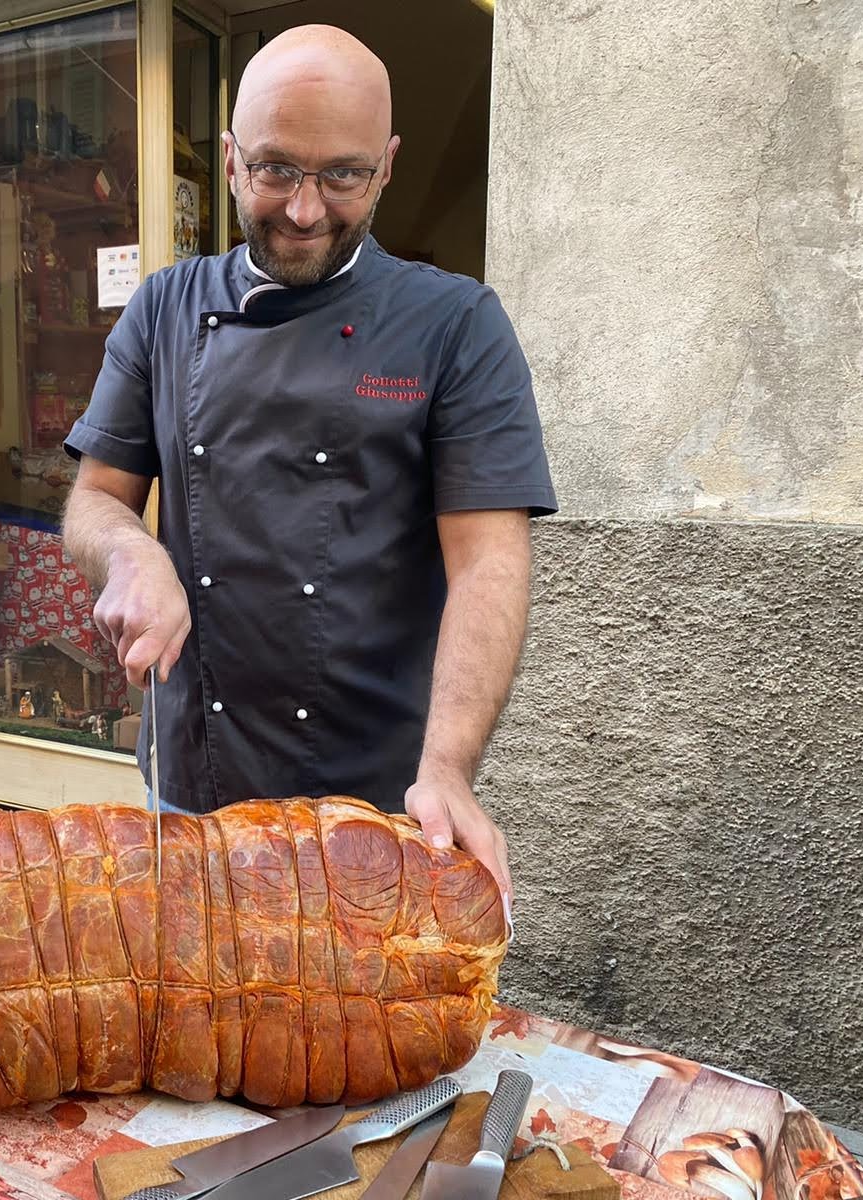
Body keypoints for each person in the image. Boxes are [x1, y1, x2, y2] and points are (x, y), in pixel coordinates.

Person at [61, 24, 555, 910]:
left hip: (374, 801)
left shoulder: (457, 326)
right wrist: (135, 554)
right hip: (191, 783)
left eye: (343, 176)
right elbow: (97, 498)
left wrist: (446, 765)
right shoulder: (164, 307)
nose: (303, 209)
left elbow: (487, 559)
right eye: (277, 169)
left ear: (389, 166)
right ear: (228, 159)